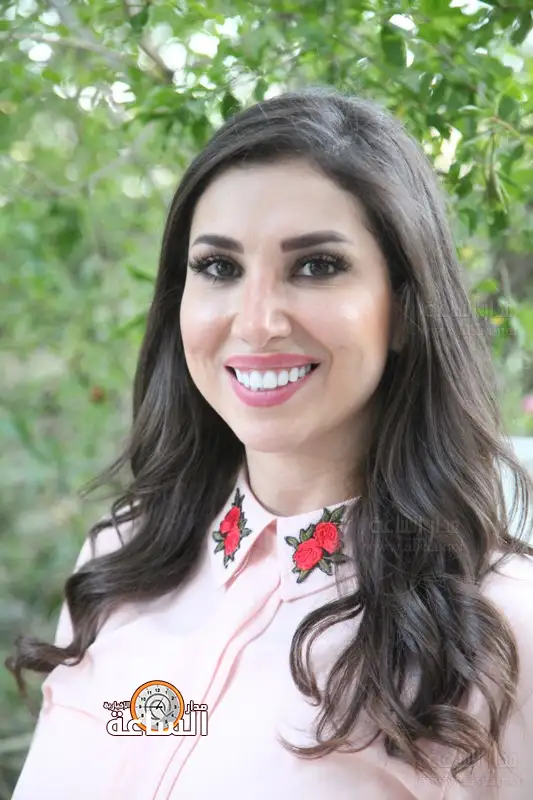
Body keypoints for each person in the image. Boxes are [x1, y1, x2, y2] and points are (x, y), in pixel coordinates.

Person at [8, 86, 533, 800]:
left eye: (315, 266)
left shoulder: (498, 634)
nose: (256, 323)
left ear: (406, 309)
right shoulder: (123, 559)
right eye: (219, 268)